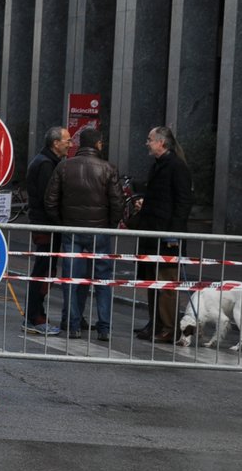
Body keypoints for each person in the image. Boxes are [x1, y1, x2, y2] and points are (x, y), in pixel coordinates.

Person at [44, 125, 123, 342]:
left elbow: (50, 201)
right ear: (98, 144)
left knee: (71, 279)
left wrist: (62, 224)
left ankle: (73, 325)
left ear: (79, 145)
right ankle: (104, 328)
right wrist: (109, 226)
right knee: (103, 280)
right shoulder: (108, 168)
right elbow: (118, 203)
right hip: (99, 231)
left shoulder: (64, 167)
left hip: (72, 231)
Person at [133, 125, 193, 343]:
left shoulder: (177, 167)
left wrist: (173, 236)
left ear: (162, 142)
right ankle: (155, 323)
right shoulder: (157, 166)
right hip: (151, 234)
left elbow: (183, 202)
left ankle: (168, 327)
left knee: (166, 284)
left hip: (167, 237)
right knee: (151, 282)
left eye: (150, 139)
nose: (146, 143)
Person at [23, 126, 73, 336]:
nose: (70, 144)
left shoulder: (46, 161)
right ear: (56, 143)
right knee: (43, 272)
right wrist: (58, 222)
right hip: (46, 226)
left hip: (46, 225)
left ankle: (35, 315)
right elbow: (48, 199)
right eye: (67, 140)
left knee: (45, 271)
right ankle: (35, 317)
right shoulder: (45, 164)